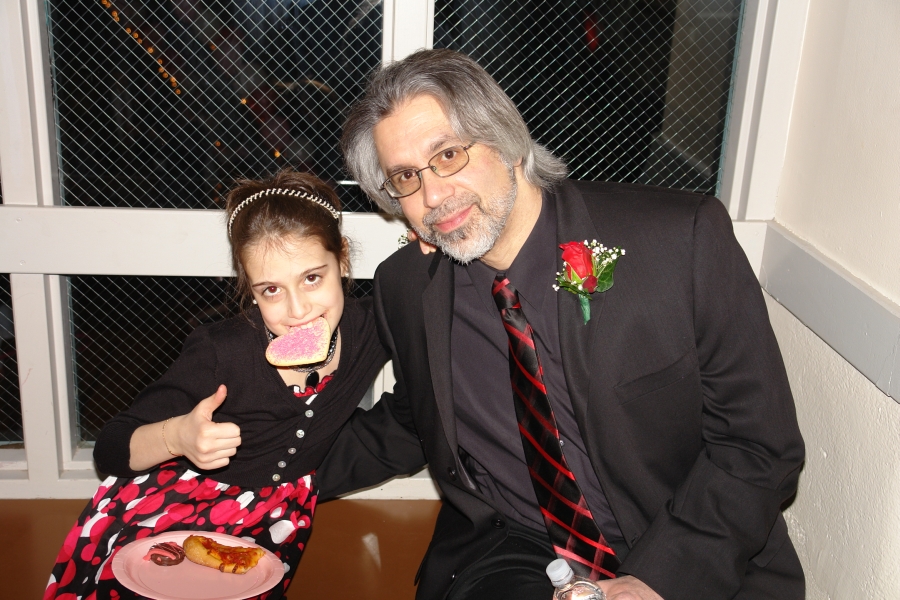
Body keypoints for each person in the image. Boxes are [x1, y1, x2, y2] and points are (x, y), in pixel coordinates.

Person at [316, 49, 805, 600]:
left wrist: (654, 581)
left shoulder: (678, 242)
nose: (433, 196)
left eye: (448, 155)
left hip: (686, 554)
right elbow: (412, 422)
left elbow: (757, 445)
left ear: (505, 140)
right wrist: (263, 472)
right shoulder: (409, 286)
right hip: (517, 554)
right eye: (406, 177)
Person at [45, 170, 388, 599]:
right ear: (251, 289)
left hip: (276, 519)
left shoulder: (373, 328)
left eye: (312, 278)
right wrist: (178, 436)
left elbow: (430, 288)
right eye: (271, 290)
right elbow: (110, 448)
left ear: (343, 260)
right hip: (175, 506)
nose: (298, 310)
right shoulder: (221, 350)